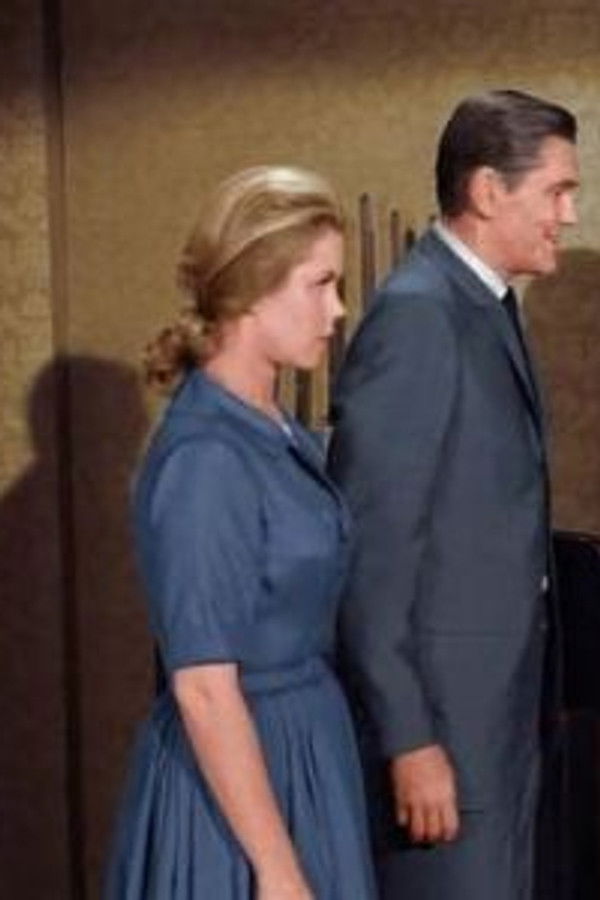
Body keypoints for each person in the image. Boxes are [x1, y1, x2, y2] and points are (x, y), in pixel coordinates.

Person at [327, 90, 579, 900]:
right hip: (444, 741)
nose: (569, 215)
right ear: (487, 191)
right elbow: (371, 555)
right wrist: (409, 740)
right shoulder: (419, 317)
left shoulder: (483, 307)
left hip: (496, 726)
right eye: (557, 191)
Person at [104, 166, 377, 900]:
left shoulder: (273, 429)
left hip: (305, 748)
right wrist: (277, 867)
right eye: (321, 284)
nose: (338, 309)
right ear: (255, 288)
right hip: (236, 784)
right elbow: (202, 686)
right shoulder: (205, 459)